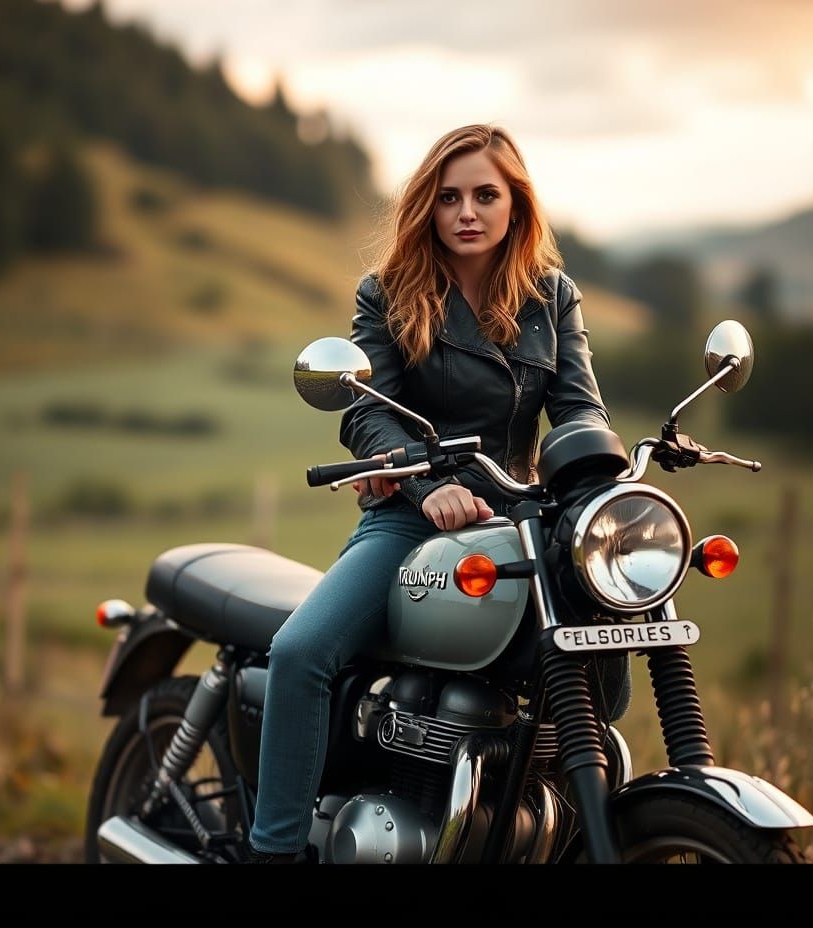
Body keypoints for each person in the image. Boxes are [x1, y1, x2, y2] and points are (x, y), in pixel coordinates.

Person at [243, 123, 629, 863]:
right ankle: (276, 850)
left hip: (518, 520)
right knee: (301, 652)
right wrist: (427, 484)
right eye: (449, 197)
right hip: (409, 519)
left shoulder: (553, 297)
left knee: (598, 666)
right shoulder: (387, 293)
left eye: (486, 195)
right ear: (428, 206)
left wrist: (599, 483)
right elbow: (367, 408)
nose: (467, 212)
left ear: (516, 204)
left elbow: (580, 408)